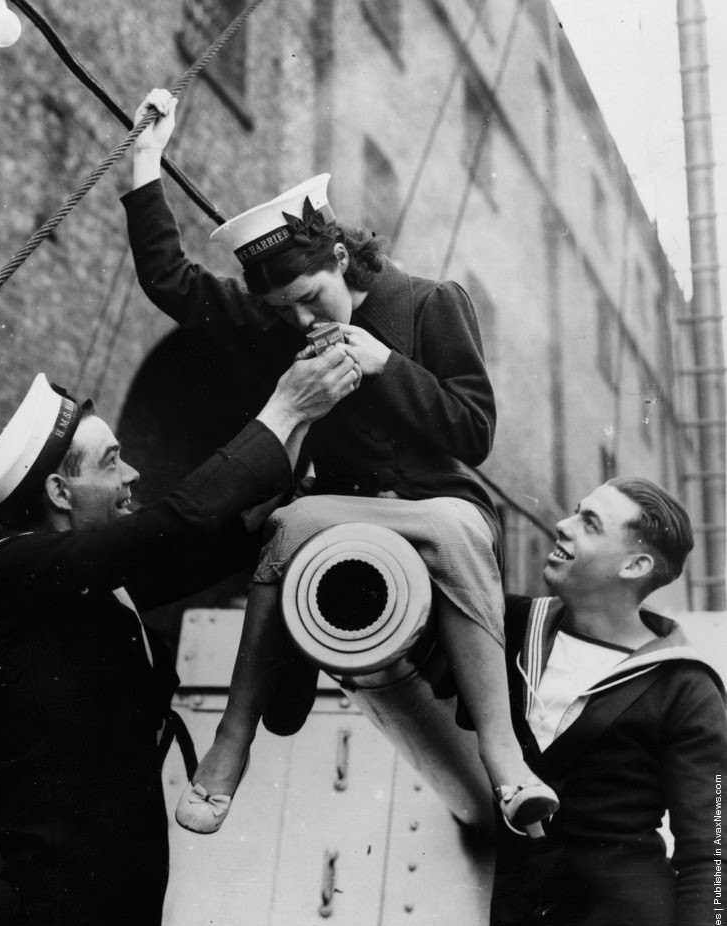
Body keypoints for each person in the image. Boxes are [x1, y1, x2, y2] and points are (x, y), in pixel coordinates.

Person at [121, 89, 558, 836]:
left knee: (453, 530)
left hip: (440, 507)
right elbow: (172, 283)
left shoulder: (429, 304)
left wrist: (389, 365)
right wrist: (144, 163)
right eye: (284, 308)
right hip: (341, 511)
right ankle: (232, 741)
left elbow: (474, 431)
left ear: (342, 255)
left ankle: (505, 758)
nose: (301, 319)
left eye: (309, 296)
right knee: (289, 523)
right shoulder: (279, 321)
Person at [0, 353, 359, 926]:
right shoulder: (8, 570)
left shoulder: (86, 582)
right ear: (59, 492)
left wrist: (302, 476)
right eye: (113, 462)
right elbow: (177, 524)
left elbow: (218, 539)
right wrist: (282, 411)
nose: (133, 474)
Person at [479, 477, 727, 926]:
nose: (563, 526)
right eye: (575, 511)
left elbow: (712, 854)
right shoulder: (507, 630)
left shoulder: (684, 685)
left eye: (589, 523)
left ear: (634, 566)